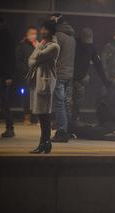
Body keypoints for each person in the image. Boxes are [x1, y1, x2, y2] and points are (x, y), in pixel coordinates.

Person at [28, 20, 60, 153]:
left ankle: (45, 142)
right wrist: (35, 56)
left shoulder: (53, 46)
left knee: (44, 114)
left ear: (51, 31)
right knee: (42, 114)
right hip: (40, 81)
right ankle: (44, 143)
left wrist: (39, 46)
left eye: (45, 29)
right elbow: (30, 61)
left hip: (45, 82)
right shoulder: (46, 45)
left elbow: (37, 56)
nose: (42, 31)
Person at [71, 27, 108, 124]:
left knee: (78, 101)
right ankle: (67, 121)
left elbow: (98, 65)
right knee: (69, 101)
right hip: (70, 77)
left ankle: (74, 119)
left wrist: (105, 80)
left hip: (80, 78)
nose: (87, 43)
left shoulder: (91, 48)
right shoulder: (74, 44)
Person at [49, 14, 76, 142]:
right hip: (69, 74)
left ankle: (62, 131)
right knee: (65, 103)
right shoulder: (72, 37)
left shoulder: (58, 36)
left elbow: (53, 55)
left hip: (59, 73)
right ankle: (68, 129)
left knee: (59, 104)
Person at [15, 26, 39, 125]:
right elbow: (18, 61)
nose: (33, 35)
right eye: (31, 33)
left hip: (37, 76)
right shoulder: (21, 46)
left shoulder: (39, 45)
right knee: (26, 96)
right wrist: (26, 70)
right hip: (26, 76)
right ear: (27, 34)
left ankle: (37, 118)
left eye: (35, 33)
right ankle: (27, 117)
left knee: (37, 97)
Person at [0, 16, 16, 138]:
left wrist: (9, 76)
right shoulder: (7, 36)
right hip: (3, 74)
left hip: (2, 74)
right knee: (4, 102)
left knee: (3, 101)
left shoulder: (6, 37)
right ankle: (9, 128)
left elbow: (10, 58)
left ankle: (10, 127)